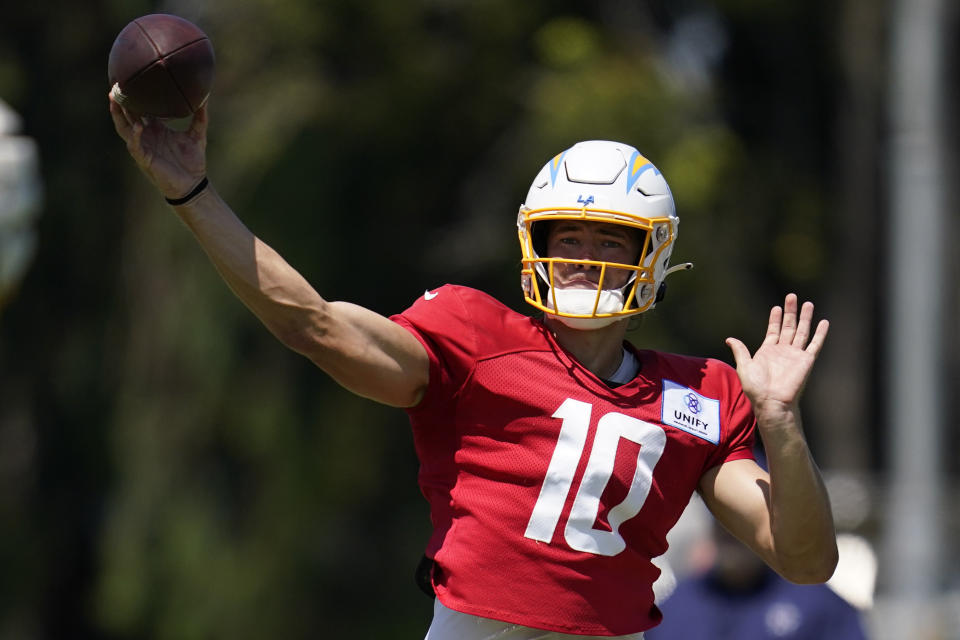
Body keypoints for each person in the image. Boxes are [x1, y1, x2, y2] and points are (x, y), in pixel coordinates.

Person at [109, 97, 838, 639]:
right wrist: (192, 195)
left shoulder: (700, 394)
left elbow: (805, 559)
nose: (583, 257)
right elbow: (312, 323)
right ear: (532, 242)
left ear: (652, 255)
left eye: (609, 240)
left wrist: (781, 425)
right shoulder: (475, 333)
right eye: (567, 234)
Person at [646, 519, 868, 640]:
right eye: (723, 521)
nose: (732, 534)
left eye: (744, 523)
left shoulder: (819, 606)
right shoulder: (673, 609)